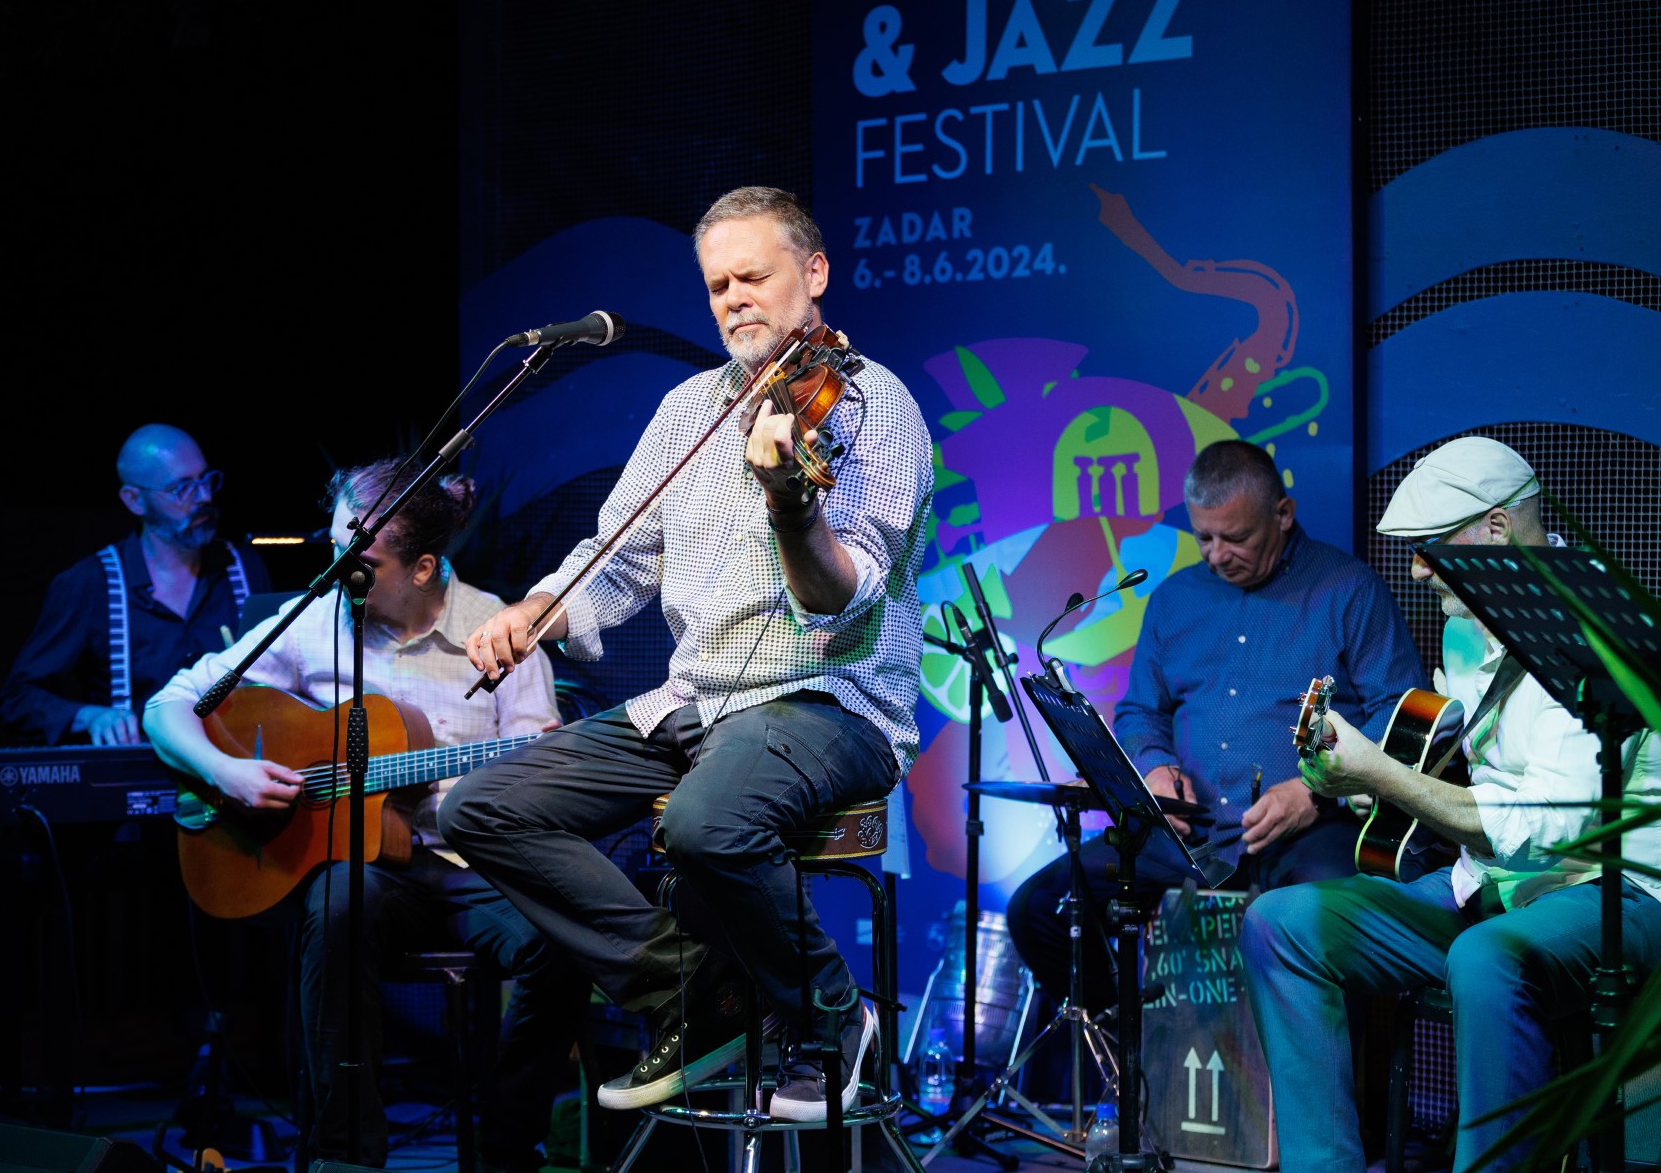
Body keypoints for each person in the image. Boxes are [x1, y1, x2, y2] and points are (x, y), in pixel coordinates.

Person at [438, 185, 934, 1123]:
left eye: (754, 276)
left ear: (814, 272)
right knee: (482, 807)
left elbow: (840, 594)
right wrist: (539, 610)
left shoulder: (875, 406)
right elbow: (616, 555)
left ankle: (836, 1019)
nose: (734, 298)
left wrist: (791, 502)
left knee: (705, 824)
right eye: (717, 286)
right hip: (693, 701)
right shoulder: (688, 408)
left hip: (827, 700)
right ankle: (692, 993)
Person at [145, 459, 588, 1172]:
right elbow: (169, 705)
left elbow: (545, 780)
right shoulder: (316, 621)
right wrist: (228, 771)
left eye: (361, 561)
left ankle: (509, 1147)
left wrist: (504, 784)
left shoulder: (501, 630)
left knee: (563, 943)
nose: (336, 571)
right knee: (337, 902)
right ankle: (344, 1156)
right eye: (334, 548)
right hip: (376, 872)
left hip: (478, 870)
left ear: (422, 568)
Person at [1240, 435, 1661, 1172]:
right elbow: (1468, 778)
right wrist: (1353, 781)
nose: (1416, 569)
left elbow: (1545, 830)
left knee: (1486, 956)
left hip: (1613, 894)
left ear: (1497, 529)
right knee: (1281, 924)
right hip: (1490, 886)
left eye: (1432, 546)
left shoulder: (1596, 622)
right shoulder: (1466, 622)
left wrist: (1381, 774)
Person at [1006, 439, 1425, 1011]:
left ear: (1283, 514)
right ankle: (1129, 1045)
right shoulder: (1174, 600)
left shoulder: (1348, 589)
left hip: (1308, 831)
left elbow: (1398, 714)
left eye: (1236, 538)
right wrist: (1155, 767)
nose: (1217, 555)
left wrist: (1316, 790)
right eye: (1204, 537)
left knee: (1340, 923)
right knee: (1038, 908)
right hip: (1190, 836)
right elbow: (1140, 713)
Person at [0, 423, 271, 746]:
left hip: (235, 765)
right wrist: (90, 716)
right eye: (182, 488)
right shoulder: (91, 584)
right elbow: (18, 698)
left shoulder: (242, 568)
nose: (205, 497)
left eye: (206, 480)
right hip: (139, 768)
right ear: (134, 500)